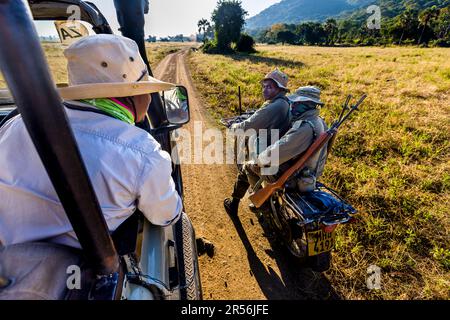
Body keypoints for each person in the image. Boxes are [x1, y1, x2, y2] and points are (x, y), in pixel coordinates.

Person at [0, 34, 182, 248]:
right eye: (146, 90)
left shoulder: (17, 124)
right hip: (79, 275)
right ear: (132, 96)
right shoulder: (143, 152)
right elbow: (167, 214)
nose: (150, 98)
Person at [224, 69, 291, 216]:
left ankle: (263, 205)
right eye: (264, 86)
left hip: (268, 150)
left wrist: (233, 127)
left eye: (270, 87)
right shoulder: (284, 102)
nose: (265, 90)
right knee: (245, 170)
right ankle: (235, 203)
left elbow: (248, 126)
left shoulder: (274, 106)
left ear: (280, 89)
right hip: (276, 147)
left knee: (246, 168)